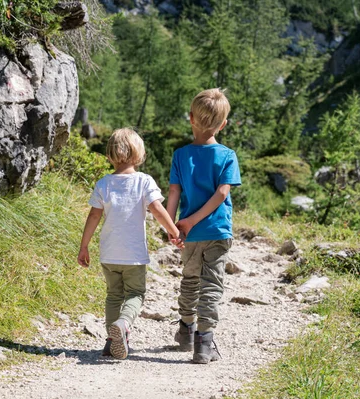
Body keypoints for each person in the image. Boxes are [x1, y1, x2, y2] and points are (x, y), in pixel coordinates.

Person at [77, 128, 183, 360]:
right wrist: (173, 230)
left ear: (110, 154)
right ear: (139, 154)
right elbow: (157, 209)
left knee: (114, 295)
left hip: (109, 254)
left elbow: (93, 216)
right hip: (133, 254)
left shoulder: (104, 183)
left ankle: (110, 341)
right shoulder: (144, 181)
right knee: (135, 294)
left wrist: (84, 246)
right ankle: (124, 324)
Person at [167, 88, 241, 364]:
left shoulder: (180, 155)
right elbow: (222, 194)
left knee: (189, 280)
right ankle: (204, 344)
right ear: (223, 124)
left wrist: (175, 227)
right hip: (218, 231)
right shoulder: (227, 155)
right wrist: (194, 220)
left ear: (191, 119)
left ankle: (186, 331)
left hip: (190, 234)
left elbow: (173, 193)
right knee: (211, 286)